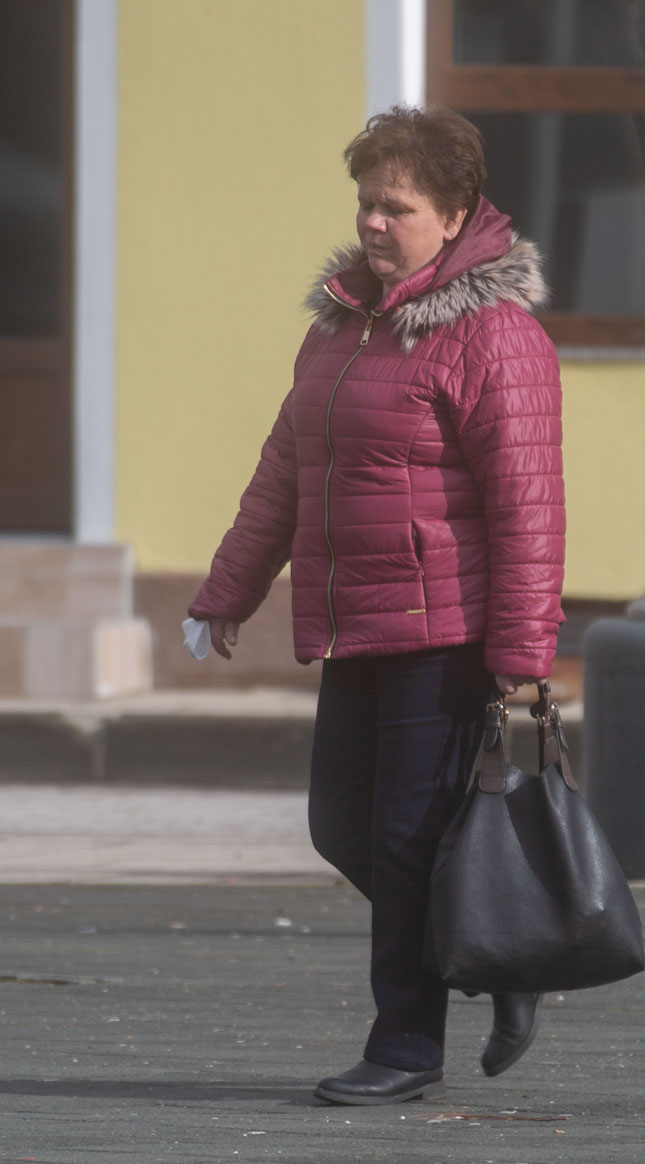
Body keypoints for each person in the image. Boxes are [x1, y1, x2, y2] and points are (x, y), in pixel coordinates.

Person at [188, 105, 565, 1106]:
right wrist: (230, 589)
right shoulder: (342, 326)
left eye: (395, 206)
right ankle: (500, 955)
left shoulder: (496, 337)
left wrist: (522, 648)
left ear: (455, 215)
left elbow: (528, 507)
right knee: (341, 827)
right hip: (354, 622)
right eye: (365, 202)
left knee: (403, 838)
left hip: (446, 634)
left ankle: (405, 1046)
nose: (371, 222)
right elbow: (285, 471)